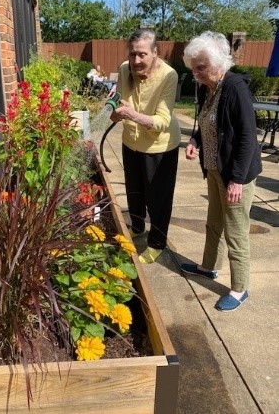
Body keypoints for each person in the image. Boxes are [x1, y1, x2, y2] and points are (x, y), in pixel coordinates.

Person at [180, 31, 262, 312]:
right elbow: (206, 123)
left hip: (235, 175)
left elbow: (248, 138)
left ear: (219, 63)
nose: (196, 74)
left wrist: (237, 179)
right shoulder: (207, 88)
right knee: (213, 222)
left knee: (235, 232)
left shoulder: (235, 88)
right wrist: (194, 141)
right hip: (214, 169)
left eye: (200, 67)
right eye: (194, 68)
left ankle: (240, 289)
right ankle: (209, 267)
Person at [110, 28, 181, 264]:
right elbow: (120, 98)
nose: (136, 60)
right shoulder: (124, 68)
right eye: (132, 54)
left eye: (142, 55)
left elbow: (162, 121)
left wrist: (131, 114)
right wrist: (114, 112)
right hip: (131, 142)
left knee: (158, 198)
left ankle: (157, 242)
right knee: (134, 190)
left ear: (155, 53)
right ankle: (138, 226)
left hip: (160, 147)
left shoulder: (169, 76)